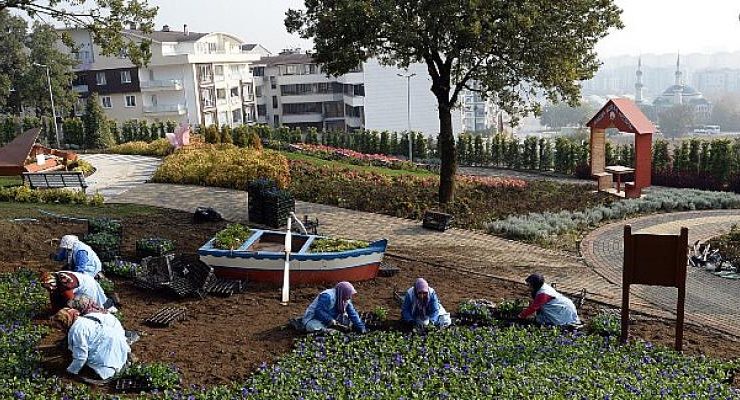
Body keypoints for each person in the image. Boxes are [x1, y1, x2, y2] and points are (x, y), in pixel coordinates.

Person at [51, 307, 130, 381]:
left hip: (107, 344)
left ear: (64, 323)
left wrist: (70, 371)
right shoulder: (80, 321)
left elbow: (81, 357)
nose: (59, 330)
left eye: (59, 327)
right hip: (113, 337)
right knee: (117, 357)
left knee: (104, 365)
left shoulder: (77, 331)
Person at [302, 281, 367, 333]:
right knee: (317, 328)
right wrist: (329, 320)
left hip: (333, 319)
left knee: (348, 323)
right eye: (348, 295)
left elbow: (353, 314)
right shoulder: (327, 296)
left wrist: (361, 327)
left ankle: (332, 327)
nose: (349, 297)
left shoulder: (345, 298)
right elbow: (319, 311)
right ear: (343, 292)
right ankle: (326, 329)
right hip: (315, 319)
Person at [40, 271, 115, 314]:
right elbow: (53, 295)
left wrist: (64, 313)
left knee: (91, 308)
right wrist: (54, 311)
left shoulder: (64, 283)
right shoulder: (54, 278)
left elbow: (71, 301)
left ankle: (110, 307)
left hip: (87, 286)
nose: (47, 289)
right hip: (82, 282)